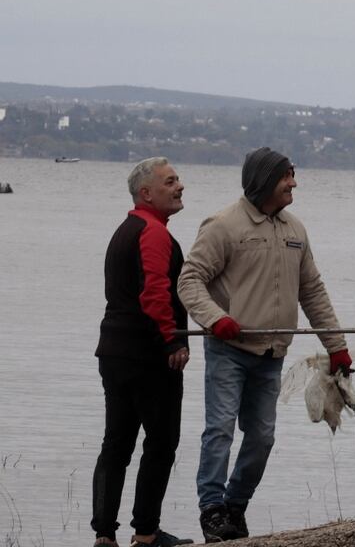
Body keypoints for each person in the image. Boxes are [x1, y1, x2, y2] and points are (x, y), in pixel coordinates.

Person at [177, 147, 351, 542]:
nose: (294, 182)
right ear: (264, 181)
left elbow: (313, 291)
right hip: (229, 350)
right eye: (287, 176)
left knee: (262, 437)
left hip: (273, 354)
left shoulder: (295, 230)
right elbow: (189, 281)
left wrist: (336, 346)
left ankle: (234, 507)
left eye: (293, 174)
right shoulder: (223, 225)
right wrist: (215, 319)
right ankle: (211, 510)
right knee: (220, 429)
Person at [91, 157, 193, 547]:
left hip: (113, 352)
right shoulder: (152, 232)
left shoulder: (125, 229)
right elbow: (154, 292)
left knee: (116, 444)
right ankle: (146, 533)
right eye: (170, 181)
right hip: (148, 355)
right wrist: (172, 340)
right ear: (146, 193)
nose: (180, 186)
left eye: (178, 179)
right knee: (161, 443)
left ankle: (104, 535)